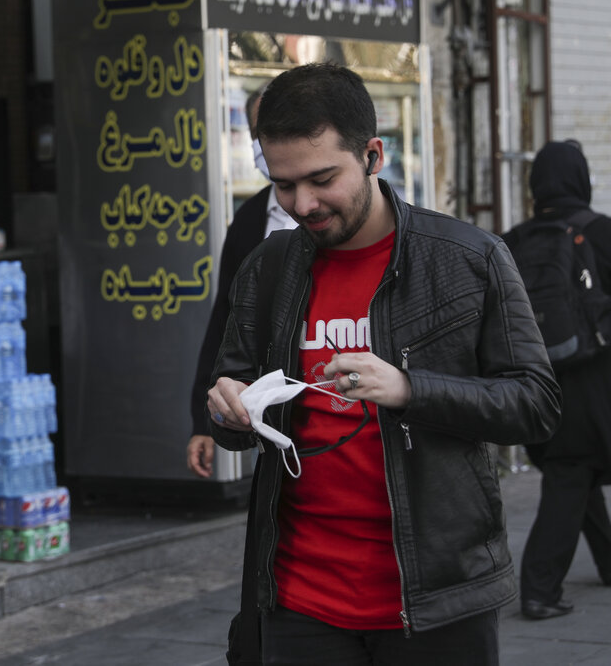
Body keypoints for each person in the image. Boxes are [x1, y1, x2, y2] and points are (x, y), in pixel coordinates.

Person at [206, 63, 561, 665]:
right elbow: (231, 403)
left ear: (372, 155)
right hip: (297, 602)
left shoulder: (468, 259)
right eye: (283, 185)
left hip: (436, 601)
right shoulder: (268, 267)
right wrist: (228, 413)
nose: (302, 204)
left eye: (322, 179)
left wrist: (408, 389)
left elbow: (536, 405)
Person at [517, 140, 611, 620]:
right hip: (597, 387)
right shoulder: (601, 232)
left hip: (539, 389)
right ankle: (539, 589)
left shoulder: (513, 241)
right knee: (572, 475)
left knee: (575, 471)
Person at [187, 85, 296, 477]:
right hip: (270, 414)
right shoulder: (250, 221)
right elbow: (226, 319)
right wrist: (205, 418)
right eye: (259, 133)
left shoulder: (348, 216)